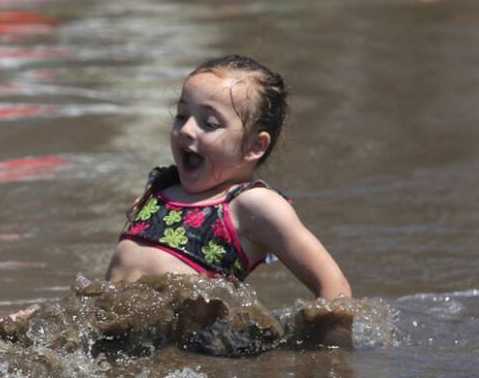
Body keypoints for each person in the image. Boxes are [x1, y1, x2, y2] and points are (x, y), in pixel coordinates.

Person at [108, 54, 350, 302]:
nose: (187, 129)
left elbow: (335, 286)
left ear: (255, 146)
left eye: (210, 124)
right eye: (181, 115)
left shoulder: (252, 205)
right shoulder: (162, 187)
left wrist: (327, 341)